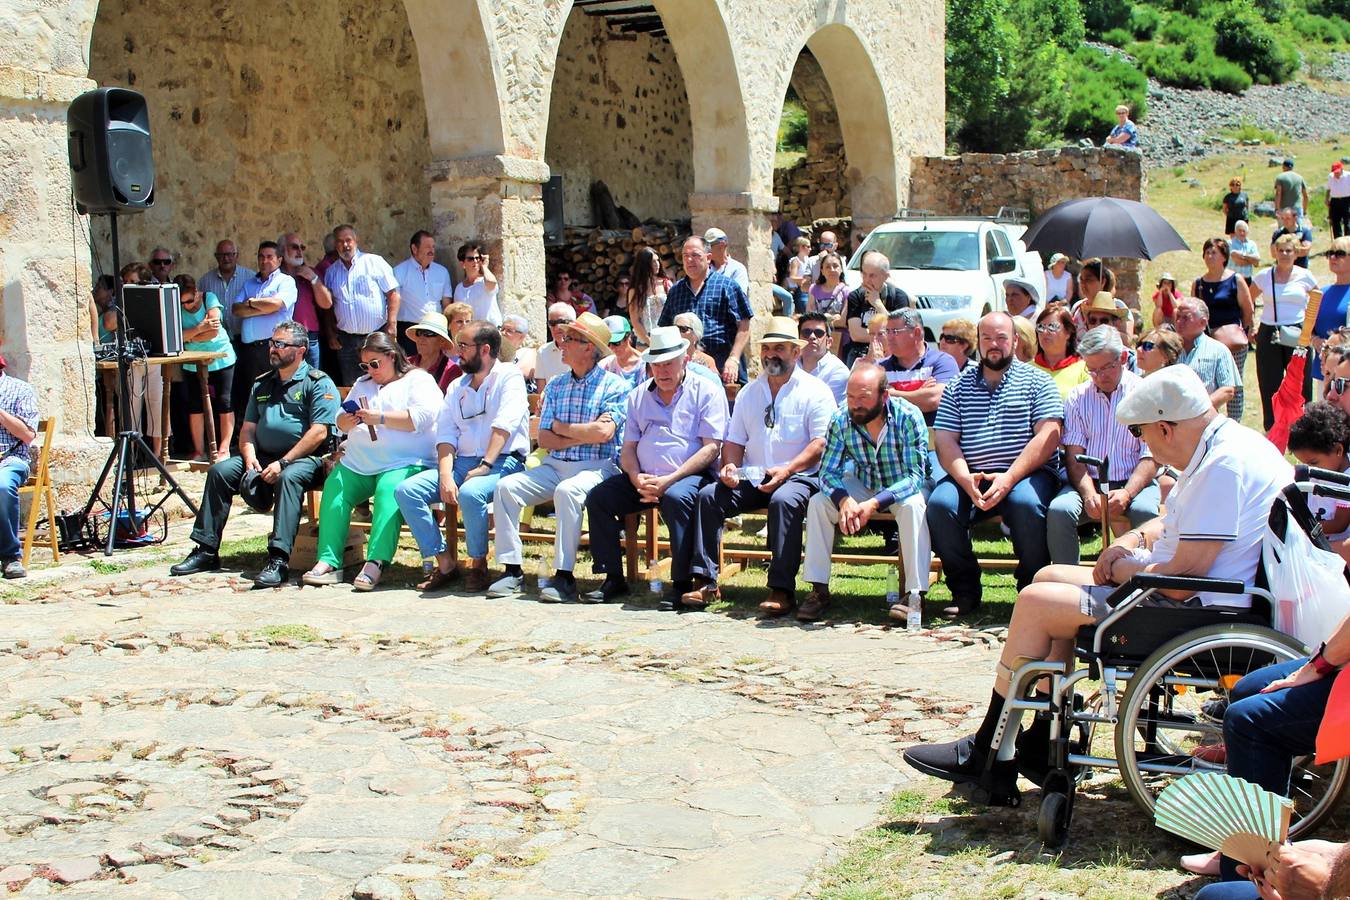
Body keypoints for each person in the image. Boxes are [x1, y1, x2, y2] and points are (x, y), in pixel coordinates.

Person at [904, 365, 1292, 808]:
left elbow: (1187, 580)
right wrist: (1130, 540)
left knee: (1035, 601)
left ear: (1166, 426)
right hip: (1191, 593)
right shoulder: (1223, 446)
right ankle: (1033, 739)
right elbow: (1179, 524)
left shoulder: (1222, 465)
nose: (1145, 444)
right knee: (1045, 578)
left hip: (1194, 607)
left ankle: (991, 744)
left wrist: (1126, 568)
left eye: (1145, 435)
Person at [683, 317, 835, 617]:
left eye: (779, 348)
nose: (771, 355)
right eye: (766, 349)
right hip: (754, 475)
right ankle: (705, 580)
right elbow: (735, 440)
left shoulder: (816, 390)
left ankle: (781, 589)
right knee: (710, 496)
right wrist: (729, 467)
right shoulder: (749, 392)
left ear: (796, 351)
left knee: (784, 500)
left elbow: (820, 444)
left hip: (799, 476)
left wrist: (787, 470)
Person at [170, 322, 337, 588]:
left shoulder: (317, 383)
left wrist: (283, 463)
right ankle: (206, 549)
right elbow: (247, 430)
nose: (273, 348)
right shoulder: (262, 384)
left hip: (307, 459)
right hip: (264, 456)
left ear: (301, 350)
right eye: (273, 342)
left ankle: (279, 559)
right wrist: (249, 459)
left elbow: (318, 433)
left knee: (289, 478)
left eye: (281, 344)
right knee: (219, 472)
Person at [928, 312, 1064, 615]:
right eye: (987, 338)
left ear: (1015, 340)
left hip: (1027, 474)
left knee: (1026, 505)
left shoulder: (1038, 381)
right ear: (977, 342)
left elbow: (1049, 434)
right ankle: (965, 591)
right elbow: (945, 439)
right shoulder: (958, 386)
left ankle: (1032, 591)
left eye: (1001, 337)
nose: (994, 345)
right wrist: (965, 479)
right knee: (940, 505)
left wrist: (1010, 477)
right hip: (971, 476)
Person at [489, 313, 629, 602]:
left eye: (569, 339)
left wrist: (562, 428)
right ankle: (512, 570)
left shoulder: (614, 386)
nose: (561, 343)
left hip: (597, 466)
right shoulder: (555, 385)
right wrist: (580, 432)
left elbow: (603, 434)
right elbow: (545, 438)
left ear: (589, 348)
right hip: (554, 464)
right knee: (506, 488)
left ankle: (564, 576)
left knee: (567, 491)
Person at [586, 325, 728, 607]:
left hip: (689, 474)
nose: (662, 372)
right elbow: (628, 448)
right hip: (644, 477)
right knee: (599, 498)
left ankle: (681, 584)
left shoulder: (706, 392)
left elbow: (712, 447)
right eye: (656, 365)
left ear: (684, 360)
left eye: (668, 364)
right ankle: (612, 576)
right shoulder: (638, 395)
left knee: (677, 498)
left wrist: (669, 480)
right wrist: (636, 477)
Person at [394, 321, 529, 594]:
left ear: (486, 349)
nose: (458, 352)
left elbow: (505, 424)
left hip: (503, 461)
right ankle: (445, 563)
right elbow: (445, 434)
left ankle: (478, 564)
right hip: (461, 463)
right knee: (407, 491)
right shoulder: (457, 386)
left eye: (464, 346)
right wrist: (445, 475)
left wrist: (486, 464)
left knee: (470, 493)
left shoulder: (509, 376)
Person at [302, 332, 442, 591]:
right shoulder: (363, 383)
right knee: (336, 486)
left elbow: (421, 418)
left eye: (375, 364)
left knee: (389, 489)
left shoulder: (419, 380)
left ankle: (376, 561)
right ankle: (328, 560)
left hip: (406, 460)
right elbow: (340, 417)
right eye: (365, 365)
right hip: (361, 461)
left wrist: (379, 418)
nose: (370, 370)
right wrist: (346, 420)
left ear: (392, 356)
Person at [804, 363, 929, 621]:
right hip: (863, 481)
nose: (855, 404)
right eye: (851, 397)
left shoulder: (909, 416)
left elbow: (915, 476)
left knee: (914, 507)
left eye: (863, 397)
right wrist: (844, 500)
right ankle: (818, 589)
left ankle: (915, 594)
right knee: (818, 503)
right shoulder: (840, 419)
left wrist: (874, 503)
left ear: (884, 395)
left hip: (899, 486)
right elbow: (827, 472)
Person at [1047, 326, 1160, 566]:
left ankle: (1144, 582)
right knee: (1060, 511)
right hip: (1090, 482)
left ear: (1122, 358)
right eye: (1092, 370)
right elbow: (1074, 455)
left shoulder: (1144, 394)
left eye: (1106, 368)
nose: (1099, 376)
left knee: (1146, 514)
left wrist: (1128, 493)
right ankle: (1067, 582)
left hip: (1134, 481)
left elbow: (1151, 454)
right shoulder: (1078, 397)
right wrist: (1089, 494)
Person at [659, 236, 752, 384]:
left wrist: (733, 358)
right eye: (685, 256)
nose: (689, 260)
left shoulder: (727, 287)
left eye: (695, 255)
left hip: (724, 368)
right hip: (686, 370)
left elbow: (744, 324)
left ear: (708, 258)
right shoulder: (676, 291)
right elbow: (665, 327)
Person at [1251, 233, 1319, 431]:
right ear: (1275, 253)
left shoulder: (1305, 275)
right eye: (1281, 251)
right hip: (1270, 330)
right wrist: (1252, 324)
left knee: (1300, 381)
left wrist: (1310, 325)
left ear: (1296, 253)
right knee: (1269, 381)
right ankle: (1272, 427)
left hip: (1297, 331)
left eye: (1289, 250)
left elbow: (1317, 298)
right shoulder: (1264, 276)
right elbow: (1248, 298)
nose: (1285, 254)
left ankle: (1304, 428)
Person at [323, 224, 401, 386]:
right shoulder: (331, 272)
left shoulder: (373, 262)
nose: (345, 245)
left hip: (376, 334)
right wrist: (331, 333)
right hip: (347, 340)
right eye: (340, 241)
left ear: (356, 241)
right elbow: (328, 307)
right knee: (354, 385)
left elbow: (393, 294)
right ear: (335, 245)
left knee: (384, 380)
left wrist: (392, 324)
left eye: (348, 240)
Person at [173, 274, 236, 461]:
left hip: (221, 357)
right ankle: (199, 451)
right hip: (192, 361)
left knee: (225, 402)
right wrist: (200, 328)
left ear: (196, 293)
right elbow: (176, 336)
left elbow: (214, 331)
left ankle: (224, 448)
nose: (187, 306)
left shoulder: (210, 298)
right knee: (195, 405)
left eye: (189, 301)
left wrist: (189, 336)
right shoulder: (177, 308)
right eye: (182, 303)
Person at [1192, 236, 1255, 420]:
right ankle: (1211, 419)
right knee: (1210, 382)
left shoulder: (1236, 279)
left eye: (1214, 252)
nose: (1210, 256)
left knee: (1234, 383)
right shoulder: (1199, 284)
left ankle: (1235, 421)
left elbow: (1247, 308)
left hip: (1233, 341)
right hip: (1208, 341)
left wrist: (1246, 330)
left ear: (1224, 257)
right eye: (1207, 252)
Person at [231, 242, 298, 401]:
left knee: (276, 394)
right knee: (251, 396)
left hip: (274, 346)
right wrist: (263, 305)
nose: (264, 260)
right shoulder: (249, 283)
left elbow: (275, 305)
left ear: (279, 260)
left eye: (269, 257)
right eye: (261, 256)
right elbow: (236, 310)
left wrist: (251, 302)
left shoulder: (285, 281)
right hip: (250, 350)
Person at [880, 308, 959, 427]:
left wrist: (891, 394)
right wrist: (919, 393)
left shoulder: (943, 362)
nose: (889, 337)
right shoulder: (879, 368)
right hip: (893, 442)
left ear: (917, 333)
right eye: (887, 331)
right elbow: (872, 402)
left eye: (895, 331)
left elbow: (933, 400)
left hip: (934, 441)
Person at [0, 357, 37, 579]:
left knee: (2, 487)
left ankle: (11, 556)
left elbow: (28, 435)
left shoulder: (19, 389)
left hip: (11, 458)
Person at [1175, 297, 1241, 413]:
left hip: (1203, 419)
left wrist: (1200, 408)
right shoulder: (1168, 348)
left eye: (1185, 318)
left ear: (1203, 322)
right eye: (1178, 317)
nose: (1179, 322)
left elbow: (1227, 390)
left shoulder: (1218, 350)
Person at [844, 251, 910, 366]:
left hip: (892, 353)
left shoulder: (898, 297)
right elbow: (856, 334)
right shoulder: (855, 297)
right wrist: (882, 336)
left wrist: (878, 304)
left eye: (872, 275)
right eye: (864, 274)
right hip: (861, 353)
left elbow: (899, 330)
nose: (867, 280)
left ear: (885, 276)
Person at [393, 231, 453, 355]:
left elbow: (447, 304)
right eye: (427, 247)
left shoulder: (442, 272)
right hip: (409, 332)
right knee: (411, 369)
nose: (432, 250)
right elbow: (393, 301)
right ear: (414, 249)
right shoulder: (399, 272)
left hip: (436, 329)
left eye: (433, 247)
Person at [279, 232, 333, 369]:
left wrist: (314, 279)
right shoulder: (275, 277)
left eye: (302, 247)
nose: (299, 251)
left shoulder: (311, 273)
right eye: (294, 247)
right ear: (282, 250)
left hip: (309, 338)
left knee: (312, 381)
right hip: (283, 338)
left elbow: (326, 304)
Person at [199, 239, 255, 346]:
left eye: (229, 254)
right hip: (218, 341)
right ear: (216, 257)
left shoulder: (250, 277)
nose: (226, 258)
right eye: (221, 255)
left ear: (236, 256)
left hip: (245, 339)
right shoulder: (205, 281)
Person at [1310, 235, 1350, 382]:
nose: (1333, 257)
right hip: (1324, 369)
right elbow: (1309, 329)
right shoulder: (1322, 293)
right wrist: (1315, 340)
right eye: (1330, 253)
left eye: (1339, 253)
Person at [1032, 303, 1088, 400]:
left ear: (1068, 333)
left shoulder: (1084, 369)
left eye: (1052, 327)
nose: (1045, 332)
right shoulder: (1026, 370)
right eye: (1040, 327)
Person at [796, 312, 848, 403]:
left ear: (829, 342)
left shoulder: (838, 371)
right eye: (806, 332)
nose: (812, 337)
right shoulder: (790, 365)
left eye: (818, 333)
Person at [626, 247, 669, 346]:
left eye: (658, 260)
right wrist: (649, 341)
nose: (657, 264)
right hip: (645, 340)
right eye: (653, 262)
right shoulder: (635, 290)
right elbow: (635, 320)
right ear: (644, 264)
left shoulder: (666, 284)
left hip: (667, 337)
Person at [405, 312, 457, 392]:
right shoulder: (406, 363)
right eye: (419, 333)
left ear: (442, 341)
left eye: (428, 333)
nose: (421, 338)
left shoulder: (452, 371)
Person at [452, 242, 500, 325]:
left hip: (490, 330)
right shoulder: (459, 288)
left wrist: (484, 266)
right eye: (470, 259)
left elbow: (492, 283)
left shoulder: (485, 281)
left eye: (477, 258)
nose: (475, 261)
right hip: (472, 333)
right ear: (462, 264)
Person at [598, 315, 647, 390]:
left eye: (616, 343)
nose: (612, 348)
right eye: (608, 344)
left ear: (628, 336)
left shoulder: (645, 365)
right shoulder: (604, 365)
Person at [535, 303, 575, 391]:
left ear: (573, 323)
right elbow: (541, 391)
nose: (557, 328)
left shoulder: (581, 349)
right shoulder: (543, 351)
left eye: (561, 322)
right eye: (552, 323)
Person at [705, 227, 749, 293]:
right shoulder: (704, 268)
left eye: (709, 246)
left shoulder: (737, 269)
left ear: (722, 245)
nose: (706, 250)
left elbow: (737, 296)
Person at [500, 315, 537, 390]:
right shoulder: (496, 354)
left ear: (522, 336)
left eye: (509, 331)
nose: (503, 333)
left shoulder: (527, 352)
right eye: (502, 329)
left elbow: (524, 372)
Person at [785, 236, 812, 315]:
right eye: (808, 246)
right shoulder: (796, 261)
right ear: (801, 247)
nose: (810, 249)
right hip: (800, 291)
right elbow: (792, 277)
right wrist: (805, 279)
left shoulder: (808, 259)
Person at [1329, 160, 1350, 240]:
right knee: (1335, 222)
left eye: (1337, 172)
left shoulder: (1348, 175)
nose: (1336, 174)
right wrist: (1327, 199)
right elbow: (1328, 189)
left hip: (1347, 200)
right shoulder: (1330, 176)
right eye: (1335, 172)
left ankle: (1348, 242)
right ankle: (1338, 242)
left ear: (1341, 169)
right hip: (1334, 201)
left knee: (1347, 222)